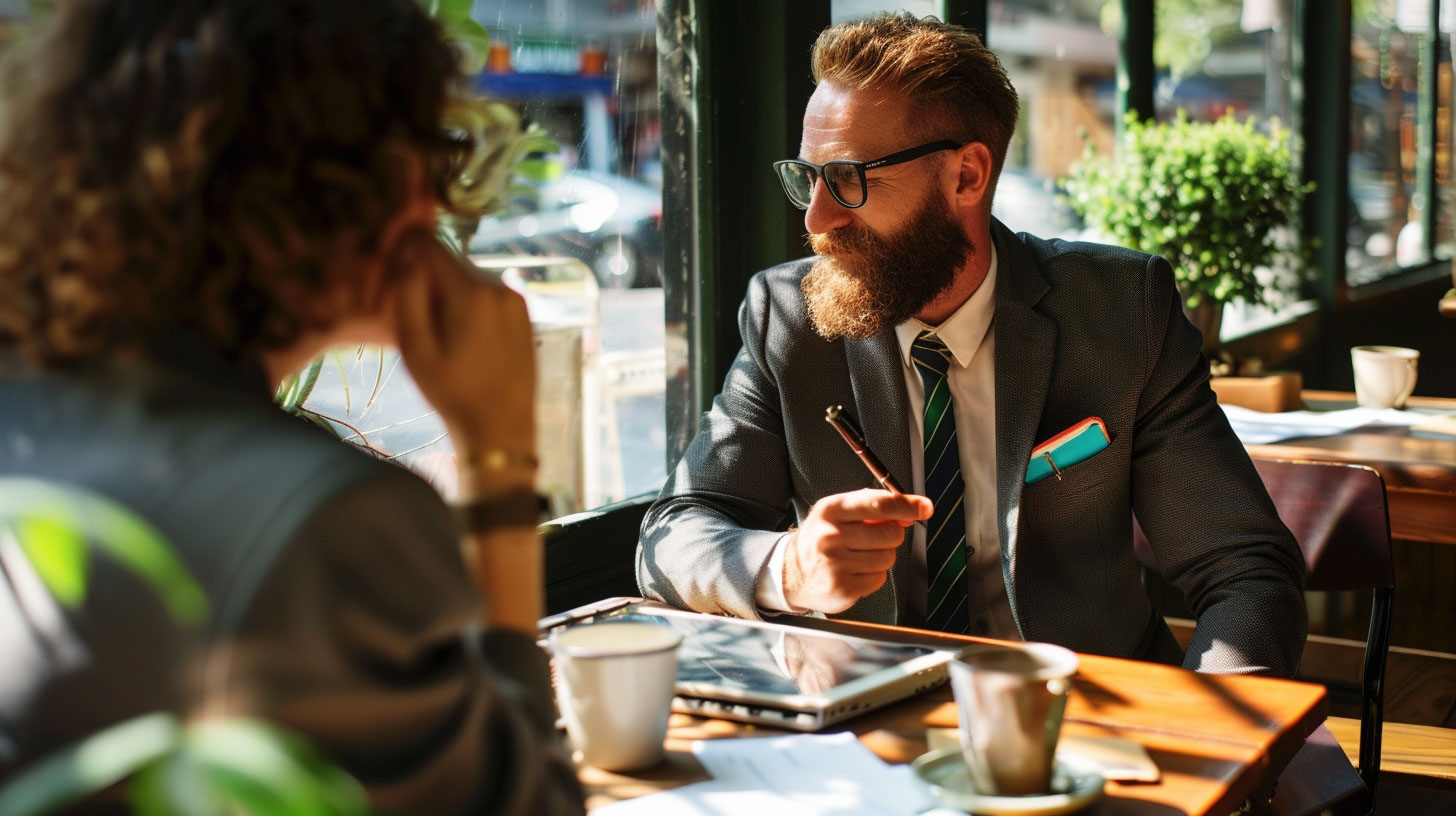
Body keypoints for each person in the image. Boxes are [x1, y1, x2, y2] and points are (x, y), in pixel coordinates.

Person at [0, 1, 583, 814]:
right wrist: (499, 451)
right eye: (431, 147)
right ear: (350, 180)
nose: (441, 201)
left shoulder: (27, 410)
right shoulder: (335, 521)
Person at [637, 12, 1307, 678]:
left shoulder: (1122, 310)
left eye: (847, 178)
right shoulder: (787, 317)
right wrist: (789, 567)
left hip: (1085, 715)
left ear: (966, 176)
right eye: (807, 178)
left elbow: (1244, 570)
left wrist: (1213, 741)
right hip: (864, 728)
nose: (817, 220)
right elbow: (672, 538)